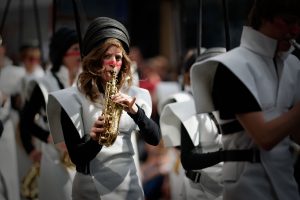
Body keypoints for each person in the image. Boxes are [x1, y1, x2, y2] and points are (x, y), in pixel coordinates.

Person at [190, 0, 300, 199]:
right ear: (265, 18)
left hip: (287, 182)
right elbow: (264, 138)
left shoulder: (293, 65)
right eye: (288, 21)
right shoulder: (231, 67)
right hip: (246, 186)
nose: (296, 30)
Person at [46, 17, 161, 200]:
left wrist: (136, 112)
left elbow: (154, 138)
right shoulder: (71, 98)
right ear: (95, 60)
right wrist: (95, 140)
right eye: (107, 56)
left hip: (129, 185)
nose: (113, 63)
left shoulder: (135, 94)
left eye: (118, 57)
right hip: (91, 189)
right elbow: (77, 157)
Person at [19, 27, 81, 200]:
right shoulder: (44, 84)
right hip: (54, 159)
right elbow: (26, 122)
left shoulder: (81, 82)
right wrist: (50, 138)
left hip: (80, 160)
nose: (80, 54)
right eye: (75, 49)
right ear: (62, 53)